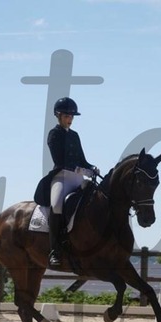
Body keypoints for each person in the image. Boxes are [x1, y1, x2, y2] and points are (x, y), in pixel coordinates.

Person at [33, 97, 99, 267]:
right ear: (58, 116)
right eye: (67, 116)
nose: (70, 119)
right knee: (57, 206)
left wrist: (92, 167)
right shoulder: (54, 134)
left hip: (78, 179)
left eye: (71, 116)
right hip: (62, 178)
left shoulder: (75, 136)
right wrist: (80, 169)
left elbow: (83, 160)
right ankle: (55, 250)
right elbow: (59, 160)